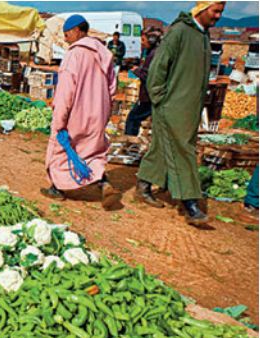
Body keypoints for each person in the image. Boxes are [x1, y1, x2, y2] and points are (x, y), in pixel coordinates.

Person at [135, 1, 225, 225]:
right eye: (216, 11)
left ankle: (144, 184)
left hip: (190, 107)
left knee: (164, 146)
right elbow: (158, 68)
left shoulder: (203, 34)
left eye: (221, 12)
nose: (218, 16)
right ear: (202, 9)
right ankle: (190, 202)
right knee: (184, 151)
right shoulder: (179, 32)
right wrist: (160, 99)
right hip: (172, 105)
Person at [41, 15, 120, 209]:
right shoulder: (103, 53)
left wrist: (59, 118)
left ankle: (57, 188)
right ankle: (103, 182)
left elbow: (66, 91)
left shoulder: (74, 54)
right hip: (99, 111)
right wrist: (106, 110)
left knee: (62, 147)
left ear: (77, 31)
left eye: (67, 34)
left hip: (77, 112)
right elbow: (112, 86)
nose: (66, 39)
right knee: (93, 149)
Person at [124, 27, 163, 136]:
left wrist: (136, 71)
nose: (142, 43)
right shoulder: (154, 52)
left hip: (149, 96)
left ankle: (130, 144)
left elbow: (148, 75)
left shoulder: (154, 54)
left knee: (133, 118)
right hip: (152, 95)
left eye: (143, 40)